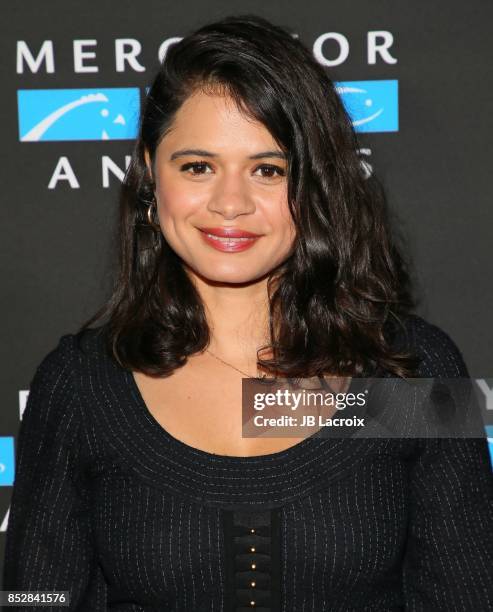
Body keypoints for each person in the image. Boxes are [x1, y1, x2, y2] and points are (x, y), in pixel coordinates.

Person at [3, 13, 493, 612]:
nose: (230, 203)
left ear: (313, 186)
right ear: (151, 179)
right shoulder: (80, 383)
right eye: (198, 166)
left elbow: (466, 593)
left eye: (268, 169)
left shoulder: (411, 369)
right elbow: (35, 597)